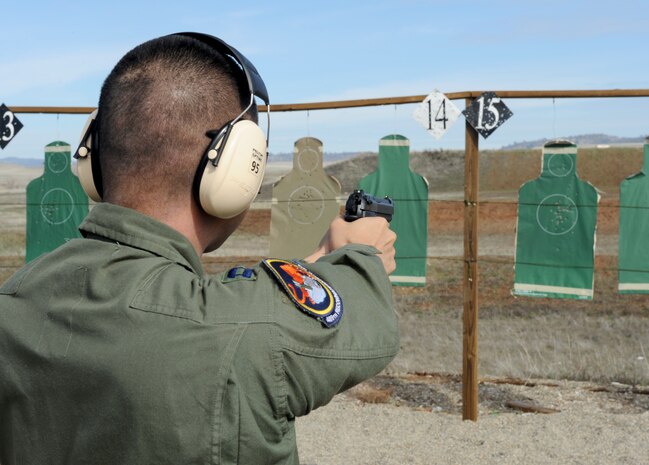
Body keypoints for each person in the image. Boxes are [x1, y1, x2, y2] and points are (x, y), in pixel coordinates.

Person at [0, 33, 399, 464]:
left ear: (93, 156)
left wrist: (316, 265)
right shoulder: (244, 335)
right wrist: (359, 253)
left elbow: (218, 318)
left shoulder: (16, 298)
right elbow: (362, 322)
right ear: (234, 167)